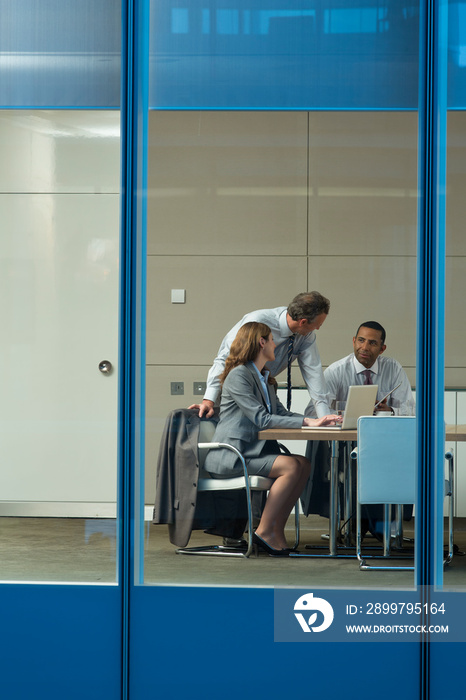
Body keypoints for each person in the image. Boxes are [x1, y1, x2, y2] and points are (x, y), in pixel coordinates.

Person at [203, 321, 340, 556]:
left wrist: (318, 420)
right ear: (261, 342)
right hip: (233, 455)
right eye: (272, 340)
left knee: (303, 464)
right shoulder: (239, 376)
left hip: (250, 452)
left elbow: (281, 414)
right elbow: (262, 418)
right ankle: (264, 530)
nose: (276, 345)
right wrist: (309, 423)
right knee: (290, 467)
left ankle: (276, 530)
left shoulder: (264, 377)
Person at [303, 321, 415, 541]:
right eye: (361, 340)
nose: (365, 347)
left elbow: (411, 409)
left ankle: (372, 527)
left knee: (388, 463)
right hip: (347, 448)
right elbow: (312, 411)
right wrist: (342, 411)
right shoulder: (336, 370)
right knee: (360, 466)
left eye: (372, 343)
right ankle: (365, 526)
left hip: (385, 444)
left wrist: (390, 409)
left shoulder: (393, 368)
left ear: (382, 349)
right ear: (353, 341)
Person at [189, 291, 332, 419]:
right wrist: (209, 400)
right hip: (235, 391)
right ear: (303, 322)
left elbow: (314, 373)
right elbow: (225, 358)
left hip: (264, 388)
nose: (318, 328)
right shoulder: (257, 321)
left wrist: (325, 418)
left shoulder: (305, 335)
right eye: (318, 324)